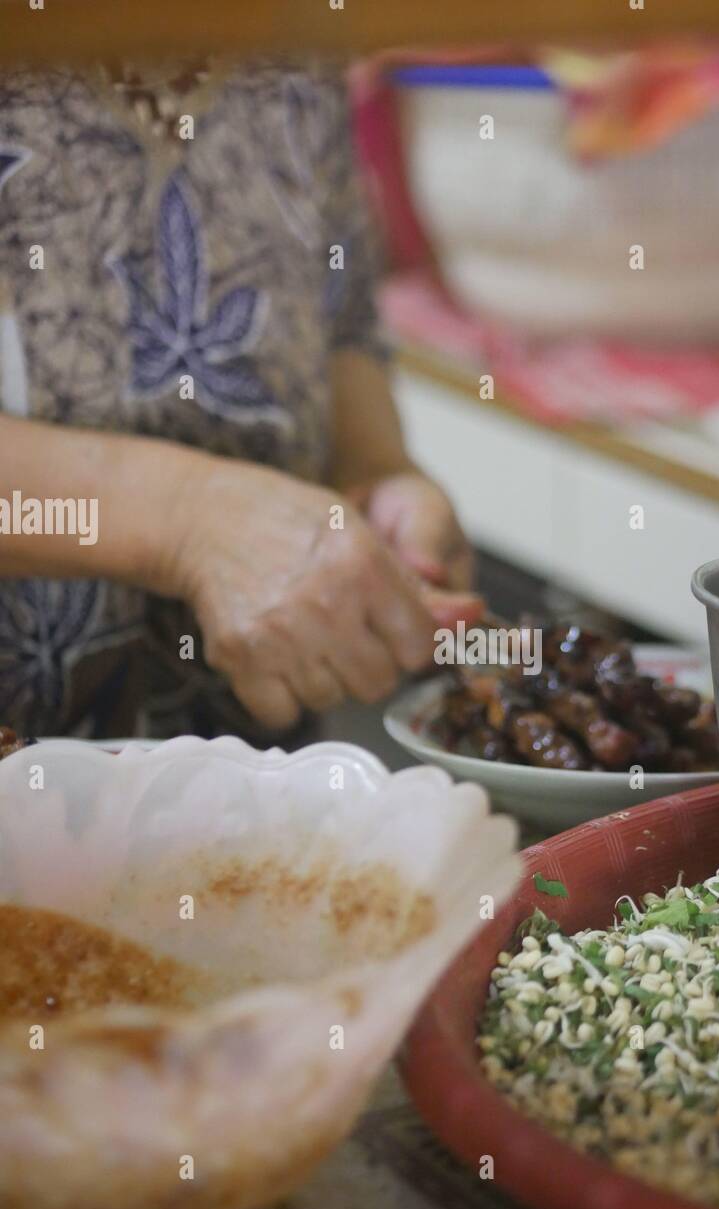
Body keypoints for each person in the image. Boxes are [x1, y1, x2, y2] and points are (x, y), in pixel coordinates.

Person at [0, 57, 479, 742]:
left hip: (245, 792)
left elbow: (341, 327)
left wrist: (378, 478)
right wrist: (189, 520)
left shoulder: (292, 47)